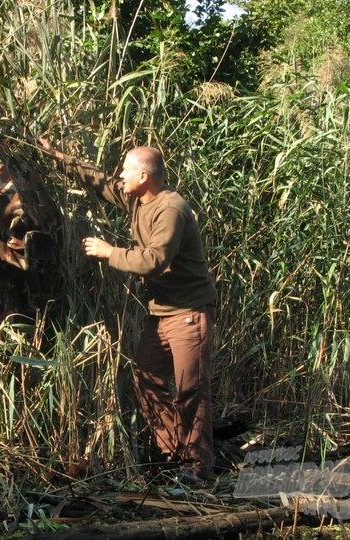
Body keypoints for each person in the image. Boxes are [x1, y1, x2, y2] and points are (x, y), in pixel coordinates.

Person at [39, 140, 218, 483]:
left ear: (145, 175)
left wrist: (109, 252)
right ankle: (174, 455)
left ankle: (199, 467)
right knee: (147, 382)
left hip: (189, 313)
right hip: (162, 313)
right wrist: (58, 156)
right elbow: (101, 182)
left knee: (191, 390)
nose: (120, 176)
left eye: (126, 171)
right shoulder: (137, 199)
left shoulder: (170, 209)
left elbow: (153, 260)